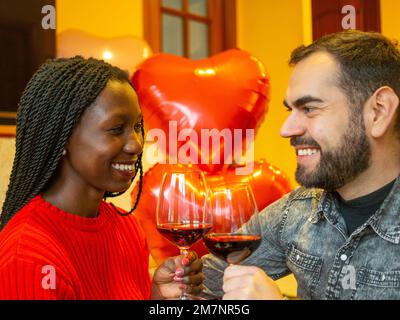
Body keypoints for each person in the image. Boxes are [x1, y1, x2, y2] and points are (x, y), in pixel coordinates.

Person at [202, 30, 400, 300]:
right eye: (290, 110)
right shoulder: (294, 212)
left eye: (309, 108)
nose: (286, 129)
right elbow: (206, 282)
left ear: (378, 112)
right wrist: (174, 282)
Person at [0, 56, 203, 300]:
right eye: (116, 129)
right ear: (62, 139)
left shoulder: (126, 229)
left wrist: (156, 298)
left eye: (138, 127)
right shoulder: (28, 257)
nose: (136, 144)